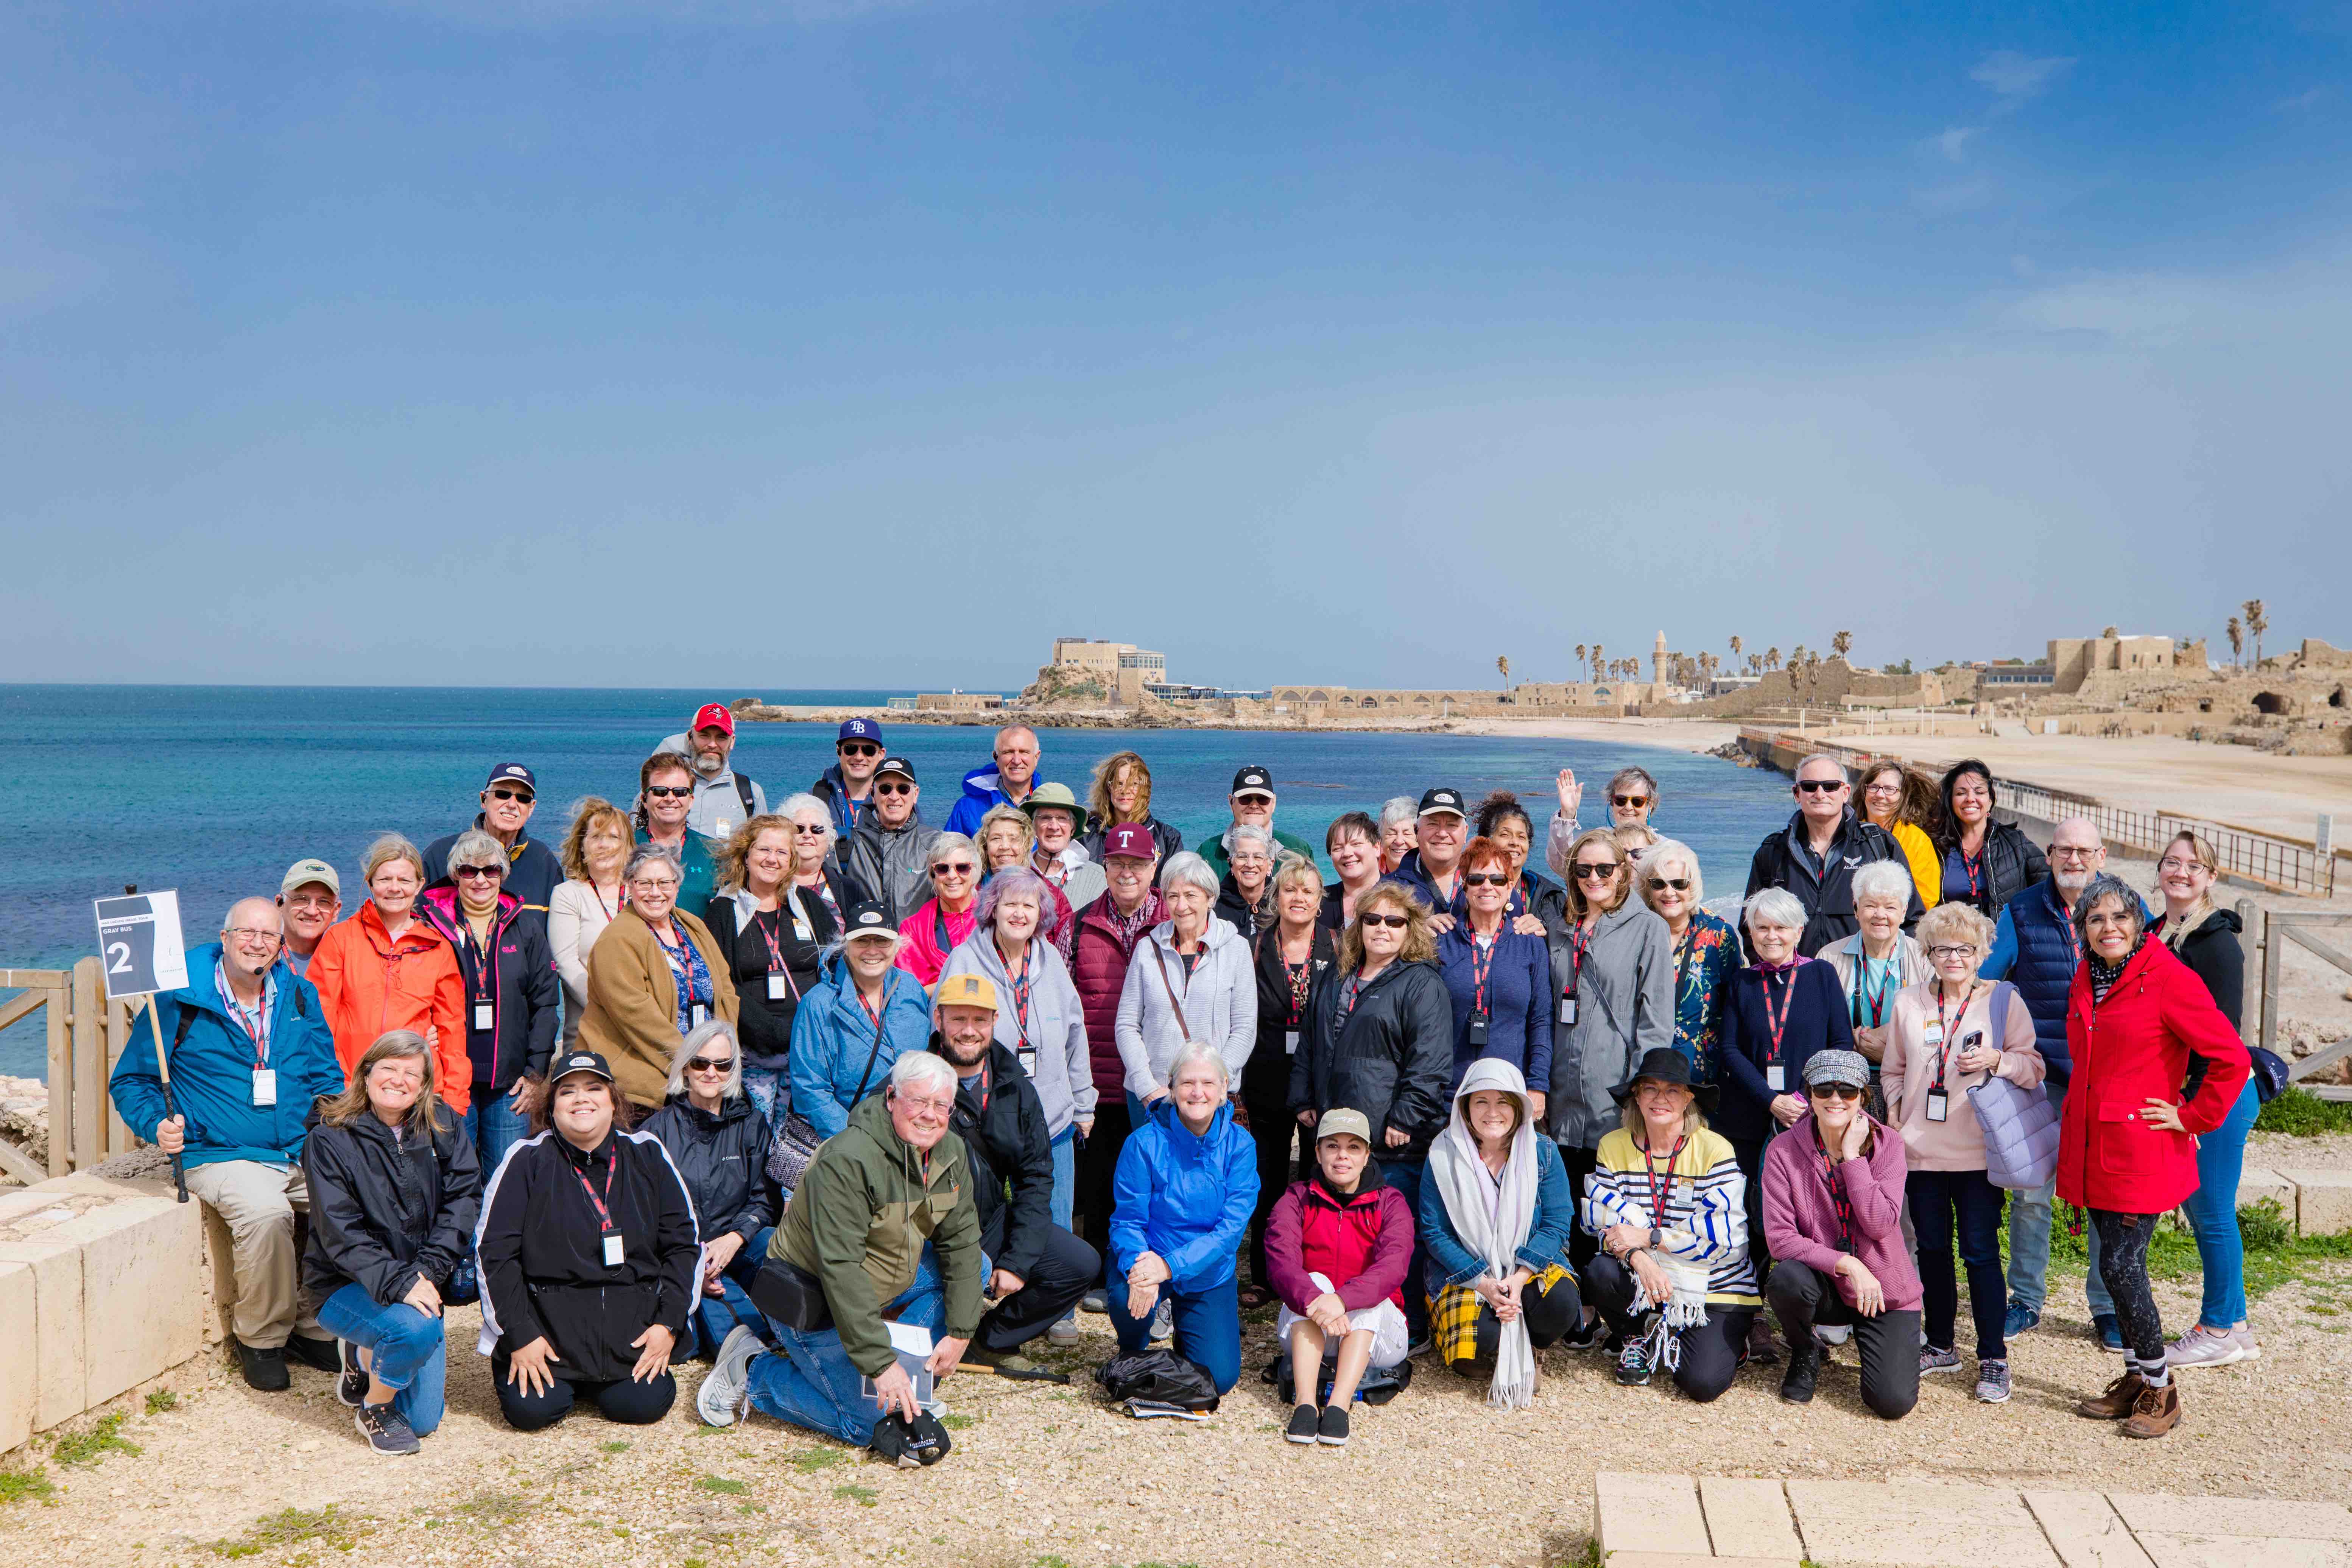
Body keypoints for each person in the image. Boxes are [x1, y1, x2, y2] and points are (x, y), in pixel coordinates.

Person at [109, 899, 346, 1390]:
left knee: (349, 1200)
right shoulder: (179, 999)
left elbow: (327, 1076)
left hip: (295, 1147)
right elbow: (132, 1079)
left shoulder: (299, 996)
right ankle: (260, 1337)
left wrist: (343, 1135)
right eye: (247, 931)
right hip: (219, 1150)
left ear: (282, 946)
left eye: (269, 935)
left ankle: (311, 1324)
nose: (257, 941)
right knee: (266, 1213)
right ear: (224, 936)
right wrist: (156, 1123)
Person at [695, 1053, 980, 1455]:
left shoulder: (949, 1151)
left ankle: (904, 1376)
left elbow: (963, 1242)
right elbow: (842, 1270)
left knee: (976, 1269)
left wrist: (961, 1332)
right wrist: (880, 1365)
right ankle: (753, 1371)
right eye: (918, 1101)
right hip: (813, 1297)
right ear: (892, 1099)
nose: (929, 1116)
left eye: (941, 1106)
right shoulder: (848, 1159)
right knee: (869, 1425)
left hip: (883, 1281)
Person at [2060, 875, 2250, 1439]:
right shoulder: (2088, 974)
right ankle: (2135, 1375)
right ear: (2083, 930)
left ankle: (2161, 1388)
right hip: (2093, 1143)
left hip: (2139, 1147)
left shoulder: (2168, 978)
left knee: (2121, 1265)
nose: (2109, 927)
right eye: (2096, 919)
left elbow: (2230, 1057)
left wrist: (2190, 1115)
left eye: (2120, 916)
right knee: (2110, 1268)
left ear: (2138, 922)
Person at [474, 1049, 701, 1430]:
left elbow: (685, 1244)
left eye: (594, 1088)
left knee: (641, 1405)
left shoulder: (648, 1154)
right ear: (552, 1108)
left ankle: (603, 1378)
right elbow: (494, 1253)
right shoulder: (526, 1159)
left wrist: (668, 1325)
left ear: (614, 1102)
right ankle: (563, 1376)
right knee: (534, 1411)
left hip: (629, 1335)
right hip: (548, 1335)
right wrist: (520, 1335)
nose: (582, 1098)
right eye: (568, 1092)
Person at [1881, 900, 2043, 1404]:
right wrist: (1894, 1117)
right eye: (1942, 948)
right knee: (1930, 1250)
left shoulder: (2002, 999)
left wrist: (1996, 1058)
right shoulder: (1907, 1001)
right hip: (1919, 1153)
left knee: (1978, 1252)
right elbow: (1891, 1068)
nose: (1953, 957)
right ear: (1927, 952)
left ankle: (1993, 1354)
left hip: (1978, 1152)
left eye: (1964, 948)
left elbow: (2033, 1065)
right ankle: (1940, 1343)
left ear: (1981, 952)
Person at [302, 1029, 482, 1454]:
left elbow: (464, 1199)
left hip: (422, 1278)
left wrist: (426, 1273)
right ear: (366, 1074)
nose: (399, 1080)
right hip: (345, 1283)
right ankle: (375, 1407)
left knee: (422, 1421)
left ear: (424, 1085)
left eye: (411, 1074)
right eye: (388, 1068)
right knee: (414, 1332)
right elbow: (339, 1231)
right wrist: (401, 1283)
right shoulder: (329, 1138)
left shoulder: (443, 1125)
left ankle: (364, 1358)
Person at [1289, 881, 1453, 1345]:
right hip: (1334, 1132)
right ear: (1358, 925)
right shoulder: (1336, 976)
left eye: (1394, 921)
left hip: (1390, 1139)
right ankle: (1336, 1326)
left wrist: (1406, 1117)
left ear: (1410, 929)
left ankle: (1405, 1329)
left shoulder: (1421, 983)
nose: (1382, 928)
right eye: (1372, 919)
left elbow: (1431, 1061)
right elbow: (1309, 1042)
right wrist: (1302, 1098)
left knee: (1392, 1241)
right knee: (1336, 1237)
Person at [1981, 816, 2116, 1344]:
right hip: (2042, 1078)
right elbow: (1988, 978)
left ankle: (2106, 1304)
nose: (2074, 859)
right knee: (2032, 1195)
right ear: (2050, 853)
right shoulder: (2020, 909)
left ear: (2100, 856)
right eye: (2064, 849)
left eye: (2084, 850)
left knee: (2105, 1197)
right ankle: (2025, 1298)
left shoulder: (2123, 908)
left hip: (2106, 1080)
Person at [926, 973, 1100, 1373]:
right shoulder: (914, 1081)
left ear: (994, 1022)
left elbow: (1035, 1178)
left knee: (1079, 1264)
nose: (969, 1031)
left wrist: (1017, 1261)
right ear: (939, 1019)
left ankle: (988, 1340)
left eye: (980, 1020)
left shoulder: (1016, 1088)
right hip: (930, 1232)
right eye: (958, 1020)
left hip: (989, 1221)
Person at [1716, 888, 1857, 1363]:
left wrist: (1803, 1098)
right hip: (1749, 1117)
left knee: (1810, 1213)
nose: (1771, 936)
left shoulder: (1820, 976)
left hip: (1810, 1116)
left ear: (1799, 931)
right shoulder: (1740, 982)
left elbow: (1840, 1042)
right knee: (1748, 1216)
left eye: (1781, 927)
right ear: (1750, 933)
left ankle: (1816, 1312)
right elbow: (1730, 1050)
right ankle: (1749, 1314)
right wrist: (1771, 1099)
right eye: (1762, 927)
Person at [1580, 1048, 1760, 1400]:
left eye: (1672, 1090)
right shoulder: (1612, 1146)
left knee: (1701, 1384)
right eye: (1650, 1088)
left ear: (1688, 1098)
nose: (1660, 1099)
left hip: (1714, 1282)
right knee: (1600, 1270)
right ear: (1636, 1096)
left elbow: (1720, 1238)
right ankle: (1635, 1336)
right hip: (1646, 1275)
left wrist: (1649, 1236)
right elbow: (1602, 1224)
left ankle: (1718, 1339)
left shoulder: (1716, 1149)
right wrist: (1640, 1257)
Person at [937, 870, 1096, 1266]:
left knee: (1054, 1215)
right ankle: (980, 1291)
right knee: (980, 1215)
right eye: (1010, 904)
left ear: (1040, 913)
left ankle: (1052, 1302)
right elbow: (942, 1034)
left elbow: (1075, 1033)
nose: (1019, 914)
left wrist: (1084, 1102)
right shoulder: (965, 959)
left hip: (1052, 1115)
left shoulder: (1052, 959)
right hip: (985, 1120)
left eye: (1028, 905)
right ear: (993, 909)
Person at [2150, 830, 2260, 1370]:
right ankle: (2236, 1324)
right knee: (2203, 1210)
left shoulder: (2215, 942)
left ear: (2211, 877)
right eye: (2172, 862)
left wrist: (2190, 1110)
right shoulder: (2156, 932)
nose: (2181, 872)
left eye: (2194, 865)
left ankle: (2216, 1325)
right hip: (2185, 1096)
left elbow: (2222, 1037)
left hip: (2215, 1095)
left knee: (2211, 1212)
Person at [1760, 1049, 1920, 1418]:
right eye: (1824, 1089)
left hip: (1883, 1288)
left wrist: (1852, 1158)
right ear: (1809, 1095)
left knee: (1892, 1404)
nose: (1835, 1099)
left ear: (1864, 1097)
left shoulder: (1888, 1145)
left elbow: (1880, 1225)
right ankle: (1805, 1349)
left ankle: (1873, 1345)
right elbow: (1780, 1240)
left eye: (1847, 1091)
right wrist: (1847, 1263)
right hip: (1826, 1283)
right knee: (1785, 1279)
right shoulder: (1783, 1150)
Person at [1544, 828, 1675, 1271]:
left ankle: (1610, 1293)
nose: (1594, 877)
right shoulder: (1557, 926)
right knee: (1566, 1193)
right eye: (1584, 869)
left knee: (1612, 1194)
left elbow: (1656, 1022)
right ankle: (1574, 1293)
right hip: (1560, 1086)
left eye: (1605, 868)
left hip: (1613, 1088)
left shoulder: (1648, 928)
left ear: (1624, 871)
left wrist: (1643, 1094)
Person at [1420, 1060, 1587, 1402]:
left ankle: (1535, 1347)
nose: (1492, 1112)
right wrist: (1484, 1283)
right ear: (1465, 1108)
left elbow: (1557, 1221)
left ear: (1518, 1108)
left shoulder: (1543, 1151)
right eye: (1481, 1101)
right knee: (1479, 1334)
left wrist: (1521, 1276)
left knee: (1561, 1302)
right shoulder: (1442, 1153)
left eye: (1503, 1102)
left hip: (1526, 1265)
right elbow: (1434, 1232)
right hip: (1467, 1271)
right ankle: (1484, 1348)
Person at [1108, 1042, 1259, 1396]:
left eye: (1208, 1083)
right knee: (1125, 1300)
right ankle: (1133, 1347)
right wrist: (1140, 1267)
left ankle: (1184, 1338)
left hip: (1207, 1269)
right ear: (1172, 1088)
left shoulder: (1241, 1146)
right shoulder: (1142, 1143)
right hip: (1150, 1258)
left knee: (1219, 1378)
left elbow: (1229, 1233)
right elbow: (1127, 1221)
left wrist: (1170, 1266)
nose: (1198, 1092)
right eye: (1188, 1083)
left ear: (1225, 1089)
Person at [417, 828, 561, 1185]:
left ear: (503, 874)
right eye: (469, 871)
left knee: (507, 1178)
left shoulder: (526, 928)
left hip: (510, 1082)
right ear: (455, 876)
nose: (480, 879)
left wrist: (535, 1073)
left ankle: (498, 1243)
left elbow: (545, 1003)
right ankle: (458, 1244)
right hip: (451, 1076)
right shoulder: (432, 925)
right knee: (455, 1177)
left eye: (491, 870)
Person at [1266, 1108, 1413, 1444]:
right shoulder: (1296, 1198)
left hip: (1376, 1338)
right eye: (1332, 1146)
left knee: (1371, 1295)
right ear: (1317, 1152)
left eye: (1354, 1147)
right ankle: (1305, 1405)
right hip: (1313, 1324)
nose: (1343, 1155)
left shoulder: (1391, 1202)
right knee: (1313, 1279)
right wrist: (1320, 1301)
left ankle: (1338, 1406)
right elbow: (1280, 1261)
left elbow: (1394, 1266)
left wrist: (1343, 1300)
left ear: (1367, 1155)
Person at [637, 1020, 779, 1360]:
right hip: (684, 1257)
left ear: (734, 1069)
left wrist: (736, 1238)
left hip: (737, 1246)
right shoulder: (655, 1132)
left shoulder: (752, 1123)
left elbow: (766, 1198)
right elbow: (644, 1217)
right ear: (686, 1067)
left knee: (779, 1250)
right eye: (701, 1063)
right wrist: (693, 1266)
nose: (711, 1072)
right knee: (715, 1342)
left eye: (723, 1064)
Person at [1069, 824, 1167, 1298]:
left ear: (1154, 867)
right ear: (1104, 867)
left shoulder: (1173, 919)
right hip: (1102, 1074)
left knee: (1153, 1185)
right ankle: (1099, 1273)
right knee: (1101, 1181)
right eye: (1117, 864)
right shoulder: (1079, 922)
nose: (1127, 873)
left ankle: (1149, 1273)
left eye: (1137, 864)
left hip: (1157, 1079)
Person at [308, 835, 467, 1113]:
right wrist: (332, 1090)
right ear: (370, 882)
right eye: (385, 880)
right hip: (351, 1092)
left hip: (415, 1094)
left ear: (420, 885)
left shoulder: (438, 947)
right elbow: (319, 1022)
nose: (395, 888)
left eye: (405, 881)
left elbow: (452, 1031)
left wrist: (454, 1103)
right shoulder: (340, 939)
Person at [576, 846, 740, 1110]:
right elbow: (638, 1016)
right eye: (645, 883)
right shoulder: (617, 940)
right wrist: (693, 1061)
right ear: (629, 884)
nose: (655, 892)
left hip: (704, 1074)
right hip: (645, 1086)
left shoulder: (691, 925)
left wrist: (723, 1052)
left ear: (677, 886)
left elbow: (726, 990)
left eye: (665, 882)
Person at [1245, 857, 1335, 1306]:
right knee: (1269, 1183)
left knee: (1322, 1180)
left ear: (1320, 903)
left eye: (1308, 892)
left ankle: (1318, 1271)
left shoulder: (1339, 947)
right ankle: (1265, 1276)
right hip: (1265, 1082)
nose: (1298, 899)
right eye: (1290, 891)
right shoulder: (1255, 947)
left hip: (1320, 1082)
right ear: (1275, 897)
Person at [1743, 754, 1922, 958]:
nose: (1820, 794)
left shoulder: (1879, 844)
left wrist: (1892, 970)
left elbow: (1911, 918)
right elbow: (1751, 925)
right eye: (1810, 786)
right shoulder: (1773, 852)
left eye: (1830, 786)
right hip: (1795, 980)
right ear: (1796, 793)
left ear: (1846, 792)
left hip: (1862, 981)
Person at [1115, 851, 1258, 1106]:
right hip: (1153, 1095)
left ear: (1210, 898)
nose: (1181, 906)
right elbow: (1127, 1025)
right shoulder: (1147, 949)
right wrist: (1146, 1087)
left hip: (1210, 1097)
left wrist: (1216, 1082)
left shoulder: (1236, 949)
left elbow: (1245, 1029)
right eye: (1173, 896)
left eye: (1191, 895)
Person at [701, 814, 816, 1122]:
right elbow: (719, 981)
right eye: (764, 850)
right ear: (746, 854)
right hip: (753, 1053)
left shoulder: (806, 904)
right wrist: (771, 1030)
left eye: (782, 852)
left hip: (807, 1051)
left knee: (799, 1143)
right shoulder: (724, 911)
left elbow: (835, 965)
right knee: (755, 1138)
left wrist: (813, 1029)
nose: (772, 859)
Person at [787, 901, 934, 1140]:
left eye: (882, 940)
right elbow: (810, 1089)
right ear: (846, 946)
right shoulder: (818, 1004)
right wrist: (859, 1140)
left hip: (916, 1134)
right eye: (862, 941)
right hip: (853, 1141)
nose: (872, 950)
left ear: (897, 946)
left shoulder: (911, 989)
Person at [1436, 836, 1554, 1098]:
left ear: (1510, 886)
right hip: (1449, 1092)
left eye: (1497, 879)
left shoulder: (1530, 943)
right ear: (1464, 886)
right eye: (1477, 879)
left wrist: (1537, 1086)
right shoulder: (1442, 941)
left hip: (1510, 1090)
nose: (1487, 886)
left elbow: (1541, 1019)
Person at [1817, 862, 1929, 1120]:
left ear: (1903, 912)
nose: (1880, 914)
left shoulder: (1925, 958)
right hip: (1845, 1086)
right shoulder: (1828, 957)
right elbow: (1819, 1027)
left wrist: (1889, 1052)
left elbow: (1936, 1024)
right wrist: (1852, 1043)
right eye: (1870, 905)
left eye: (1890, 907)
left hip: (1909, 1081)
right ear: (1856, 909)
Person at [1633, 839, 1740, 1084]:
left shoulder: (1719, 934)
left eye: (1679, 884)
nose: (1669, 893)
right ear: (1648, 890)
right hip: (1644, 1063)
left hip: (1700, 1070)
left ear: (1692, 887)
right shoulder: (1636, 931)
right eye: (1658, 884)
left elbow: (1734, 1003)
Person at [422, 763, 565, 934]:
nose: (512, 804)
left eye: (523, 798)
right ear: (483, 800)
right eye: (503, 795)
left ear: (532, 807)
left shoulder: (544, 860)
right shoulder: (440, 855)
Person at [549, 798, 634, 1049]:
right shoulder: (568, 894)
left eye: (614, 837)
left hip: (640, 1035)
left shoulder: (644, 894)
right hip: (588, 1035)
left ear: (629, 846)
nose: (604, 845)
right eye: (596, 837)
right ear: (582, 845)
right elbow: (567, 965)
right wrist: (613, 1011)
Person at [1933, 760, 2048, 923]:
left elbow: (2053, 882)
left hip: (2004, 943)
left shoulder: (2016, 843)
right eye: (1961, 793)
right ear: (1951, 802)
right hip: (1951, 944)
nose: (1970, 799)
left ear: (1991, 801)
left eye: (1979, 792)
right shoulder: (1936, 847)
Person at [843, 757, 941, 926]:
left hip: (917, 950)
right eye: (885, 789)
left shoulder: (936, 844)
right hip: (867, 948)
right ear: (873, 794)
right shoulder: (847, 844)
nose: (894, 797)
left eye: (903, 789)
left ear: (915, 794)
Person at [657, 702, 767, 842]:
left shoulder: (751, 794)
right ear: (690, 738)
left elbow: (762, 847)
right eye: (705, 736)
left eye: (721, 738)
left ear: (732, 742)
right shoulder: (662, 790)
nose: (712, 745)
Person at [636, 751, 723, 914]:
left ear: (691, 801)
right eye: (660, 791)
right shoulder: (626, 846)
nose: (670, 798)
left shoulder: (713, 852)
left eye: (680, 792)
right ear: (645, 800)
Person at [978, 803, 1075, 945]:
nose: (1005, 846)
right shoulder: (970, 892)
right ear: (985, 846)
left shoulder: (1052, 896)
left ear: (1027, 845)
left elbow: (1067, 949)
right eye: (996, 839)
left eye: (1014, 839)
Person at [895, 833, 983, 989]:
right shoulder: (913, 930)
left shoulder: (994, 917)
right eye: (943, 869)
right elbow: (910, 991)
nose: (952, 876)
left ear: (975, 871)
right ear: (933, 874)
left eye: (962, 868)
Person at [1542, 765, 1660, 879]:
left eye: (1638, 801)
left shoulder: (1663, 848)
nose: (1628, 807)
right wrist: (1567, 814)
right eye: (1621, 800)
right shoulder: (1598, 840)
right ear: (1612, 803)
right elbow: (1564, 866)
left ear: (1650, 805)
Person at [1197, 766, 1316, 879]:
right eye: (1245, 799)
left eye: (1263, 799)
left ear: (1274, 803)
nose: (1254, 805)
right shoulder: (1208, 852)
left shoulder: (1299, 850)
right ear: (1231, 802)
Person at [1473, 791, 1565, 933]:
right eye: (1505, 835)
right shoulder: (1469, 889)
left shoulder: (1552, 897)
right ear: (1487, 841)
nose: (1515, 842)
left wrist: (1545, 933)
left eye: (1521, 837)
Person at [1079, 749, 1184, 868]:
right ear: (1109, 788)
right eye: (1119, 783)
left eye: (1134, 784)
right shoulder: (1086, 834)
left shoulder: (1168, 839)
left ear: (1145, 788)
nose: (1125, 791)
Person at [1858, 762, 1941, 909]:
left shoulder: (1917, 841)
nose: (1880, 795)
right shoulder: (1848, 833)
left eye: (1890, 790)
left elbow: (1926, 897)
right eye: (1873, 787)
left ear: (1903, 796)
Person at [1384, 787, 1470, 927]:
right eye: (1433, 824)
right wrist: (1416, 931)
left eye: (1452, 825)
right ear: (1417, 830)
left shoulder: (1488, 884)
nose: (1442, 833)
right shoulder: (1389, 888)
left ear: (1465, 833)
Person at [1024, 782, 1107, 924]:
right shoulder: (1017, 873)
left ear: (1073, 828)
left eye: (1062, 818)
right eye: (1045, 818)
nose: (1054, 826)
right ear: (1032, 827)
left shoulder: (1096, 877)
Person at [944, 724, 1047, 837]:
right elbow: (948, 852)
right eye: (1008, 752)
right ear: (996, 757)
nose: (1017, 761)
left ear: (1037, 757)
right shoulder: (967, 809)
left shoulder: (1050, 806)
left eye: (1024, 752)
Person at [810, 717, 886, 836]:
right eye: (851, 749)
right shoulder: (816, 798)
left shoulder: (896, 799)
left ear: (881, 755)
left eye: (869, 750)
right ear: (839, 753)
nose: (859, 757)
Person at [277, 860, 341, 979]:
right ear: (280, 904)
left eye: (324, 902)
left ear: (336, 911)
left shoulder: (345, 960)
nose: (311, 911)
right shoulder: (262, 956)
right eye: (301, 899)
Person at [1213, 823, 1279, 940]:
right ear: (1231, 864)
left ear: (1270, 864)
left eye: (1258, 857)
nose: (1250, 865)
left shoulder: (1281, 904)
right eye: (1242, 857)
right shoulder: (1215, 908)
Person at [1322, 811, 1385, 932]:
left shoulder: (1399, 896)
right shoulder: (1320, 901)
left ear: (1377, 848)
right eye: (1338, 848)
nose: (1347, 853)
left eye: (1356, 844)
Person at [1375, 797, 1418, 875]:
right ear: (1381, 839)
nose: (1399, 841)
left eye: (1407, 834)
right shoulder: (1371, 870)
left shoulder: (1432, 874)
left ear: (1419, 837)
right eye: (1391, 834)